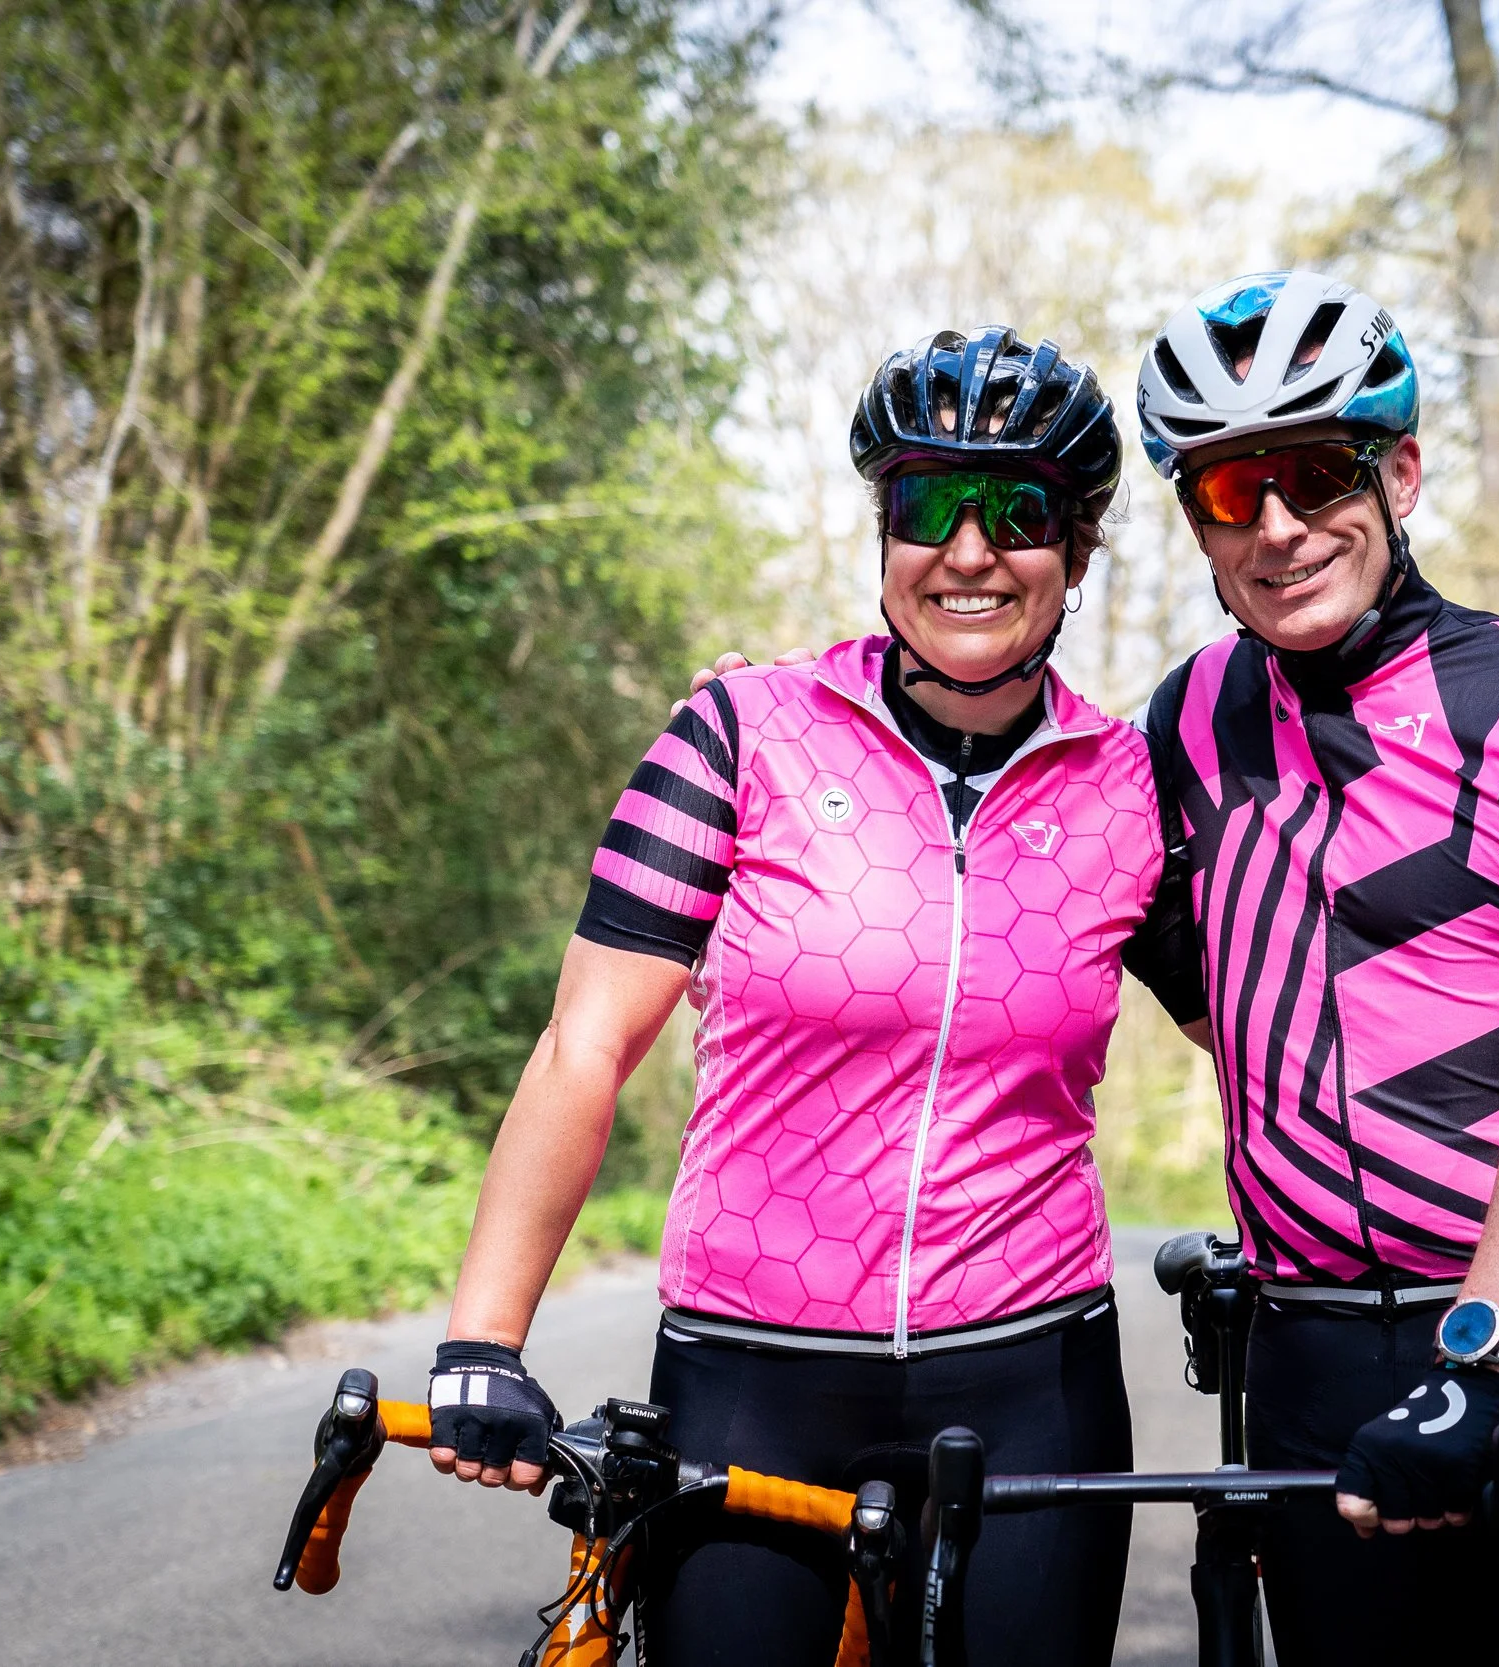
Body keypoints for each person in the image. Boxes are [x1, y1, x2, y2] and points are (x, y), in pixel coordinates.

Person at [425, 326, 1210, 1667]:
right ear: (885, 533)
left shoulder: (1129, 787)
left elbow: (1266, 1037)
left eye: (1019, 512)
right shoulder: (740, 734)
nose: (969, 552)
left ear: (1078, 552)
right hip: (751, 1371)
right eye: (928, 506)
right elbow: (583, 1043)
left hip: (1033, 1369)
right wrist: (482, 1340)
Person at [1128, 270, 1499, 1666]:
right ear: (1197, 523)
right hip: (1315, 1350)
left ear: (1398, 474)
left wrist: (1480, 1360)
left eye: (1316, 474)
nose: (1279, 526)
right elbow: (1195, 984)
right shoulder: (1185, 722)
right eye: (1229, 491)